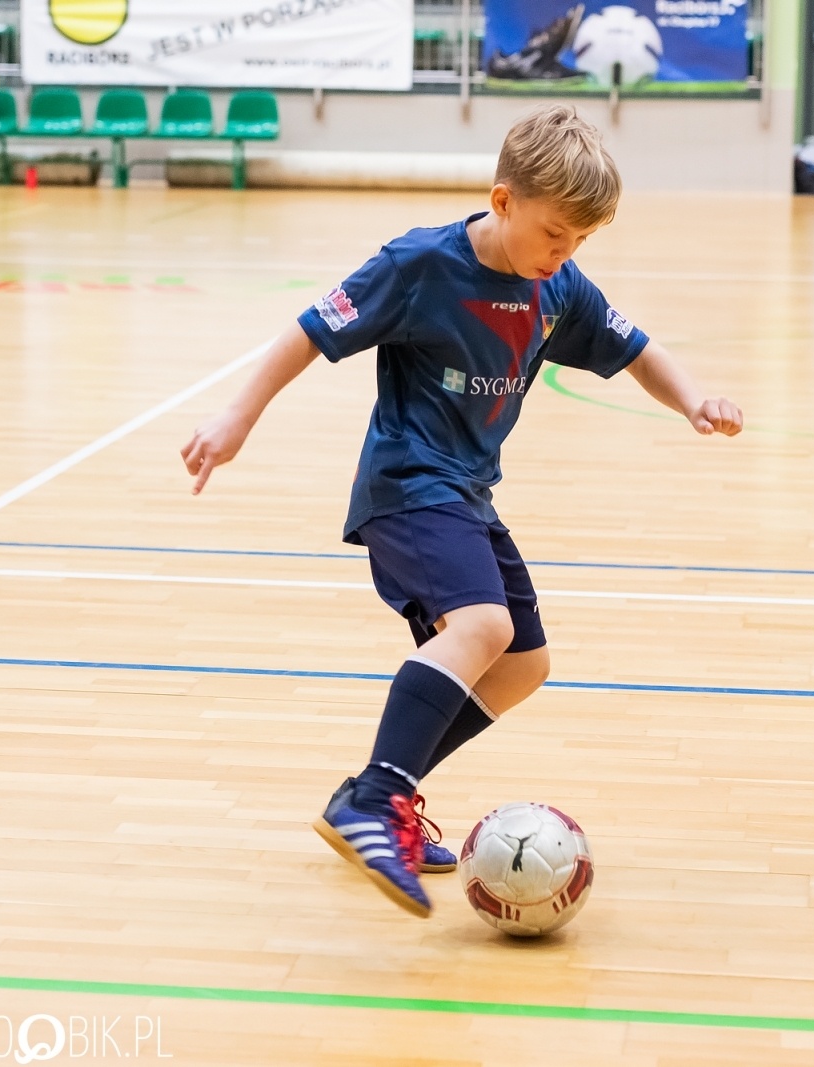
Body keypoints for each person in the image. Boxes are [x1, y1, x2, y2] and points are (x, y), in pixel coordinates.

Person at [181, 105, 743, 917]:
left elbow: (636, 348)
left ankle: (382, 796)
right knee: (483, 626)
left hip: (468, 494)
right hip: (407, 486)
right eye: (556, 234)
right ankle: (375, 797)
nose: (566, 255)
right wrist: (237, 417)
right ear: (503, 199)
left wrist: (691, 398)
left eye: (582, 241)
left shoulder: (556, 283)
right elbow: (308, 331)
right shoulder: (420, 264)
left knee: (522, 664)